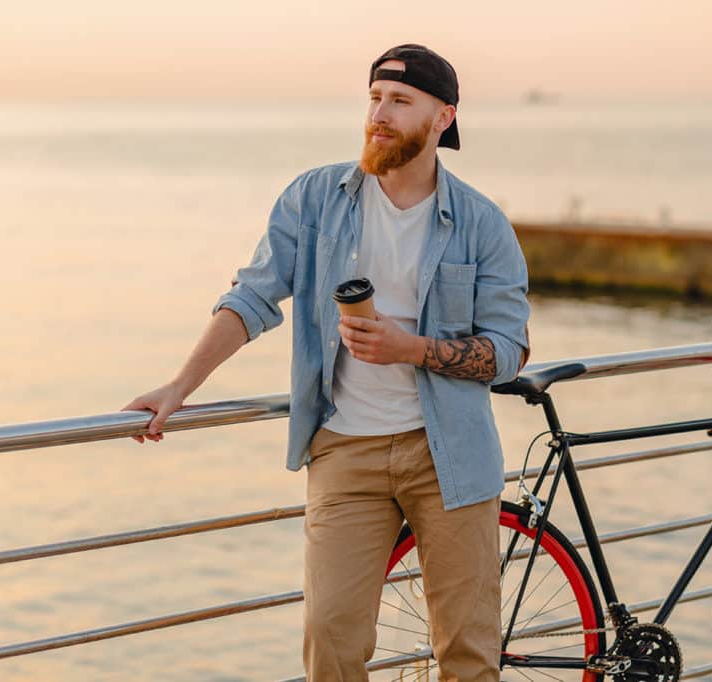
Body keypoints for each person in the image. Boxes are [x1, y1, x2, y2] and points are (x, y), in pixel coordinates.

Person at [121, 43, 530, 681]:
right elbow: (253, 296)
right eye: (373, 98)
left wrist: (413, 349)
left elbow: (508, 352)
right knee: (330, 642)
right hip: (346, 451)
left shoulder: (481, 224)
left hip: (447, 452)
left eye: (400, 101)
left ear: (442, 118)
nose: (379, 114)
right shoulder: (315, 199)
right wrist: (180, 385)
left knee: (468, 653)